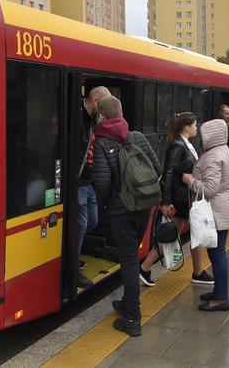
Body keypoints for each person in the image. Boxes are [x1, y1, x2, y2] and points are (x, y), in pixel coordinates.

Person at [92, 95, 161, 337]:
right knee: (132, 254)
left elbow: (101, 182)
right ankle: (126, 302)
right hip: (144, 207)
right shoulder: (138, 136)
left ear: (101, 116)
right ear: (121, 114)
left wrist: (106, 205)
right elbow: (158, 168)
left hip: (121, 211)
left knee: (129, 260)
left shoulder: (101, 141)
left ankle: (132, 317)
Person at [139, 112, 214, 287]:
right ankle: (145, 267)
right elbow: (168, 173)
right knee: (175, 234)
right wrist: (165, 201)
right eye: (195, 125)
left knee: (177, 234)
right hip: (181, 199)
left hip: (185, 198)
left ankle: (147, 267)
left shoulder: (184, 144)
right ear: (187, 127)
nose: (197, 128)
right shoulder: (178, 146)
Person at [182, 119, 229, 311]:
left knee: (217, 253)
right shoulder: (222, 150)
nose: (201, 138)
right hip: (222, 207)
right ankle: (219, 291)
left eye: (204, 135)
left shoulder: (213, 156)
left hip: (215, 209)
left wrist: (190, 180)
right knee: (217, 252)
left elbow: (210, 188)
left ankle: (221, 298)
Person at [76, 86, 111, 288]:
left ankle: (74, 252)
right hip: (79, 181)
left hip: (89, 182)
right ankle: (73, 267)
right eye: (104, 104)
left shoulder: (95, 119)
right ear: (96, 101)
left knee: (92, 220)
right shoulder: (78, 116)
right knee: (80, 225)